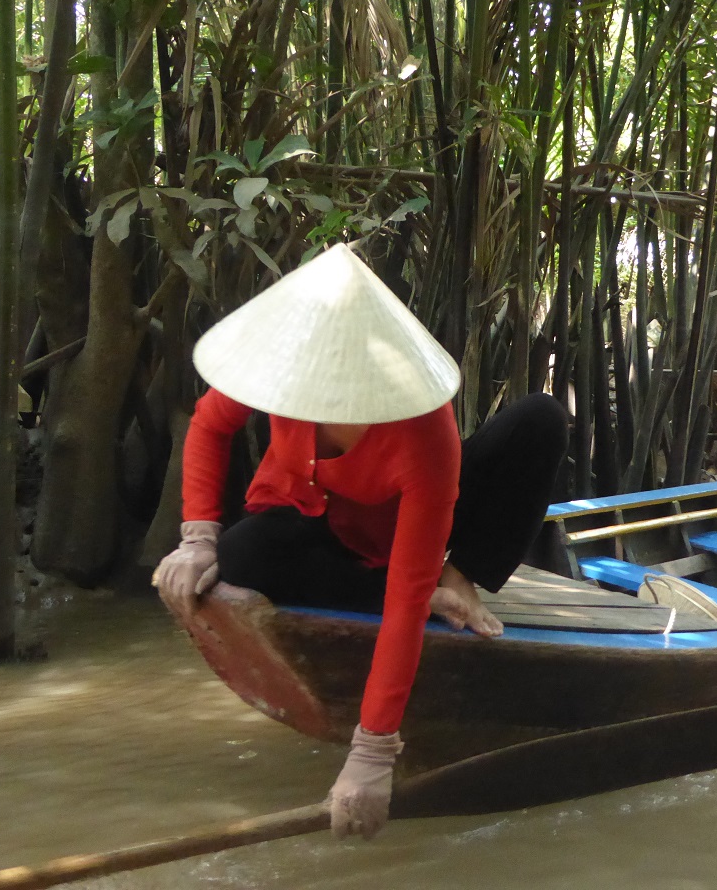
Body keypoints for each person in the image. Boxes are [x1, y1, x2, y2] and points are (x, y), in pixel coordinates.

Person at [152, 243, 567, 840]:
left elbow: (403, 600)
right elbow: (209, 425)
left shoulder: (424, 435)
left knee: (540, 418)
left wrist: (372, 752)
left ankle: (457, 580)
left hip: (402, 532)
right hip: (309, 525)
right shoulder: (285, 367)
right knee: (240, 556)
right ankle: (406, 591)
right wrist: (196, 537)